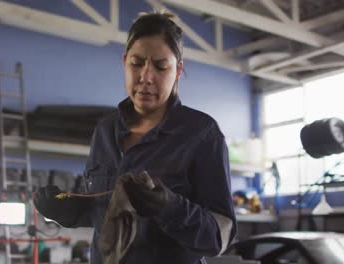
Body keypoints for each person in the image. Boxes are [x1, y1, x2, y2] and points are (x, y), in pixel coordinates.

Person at [34, 10, 236, 264]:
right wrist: (66, 211)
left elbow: (221, 238)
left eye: (161, 67)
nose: (146, 77)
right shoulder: (105, 131)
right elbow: (103, 211)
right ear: (124, 62)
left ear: (177, 70)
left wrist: (170, 208)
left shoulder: (202, 134)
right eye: (137, 63)